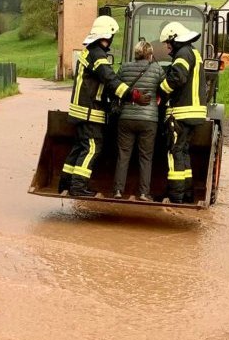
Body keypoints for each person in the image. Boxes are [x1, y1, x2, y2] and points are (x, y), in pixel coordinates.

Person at [59, 16, 151, 197]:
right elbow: (109, 79)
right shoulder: (97, 54)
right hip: (89, 111)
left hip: (80, 110)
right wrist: (133, 95)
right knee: (92, 147)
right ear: (107, 36)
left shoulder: (89, 51)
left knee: (79, 147)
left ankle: (66, 182)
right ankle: (77, 188)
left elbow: (101, 82)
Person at [158, 21, 207, 204]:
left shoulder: (183, 54)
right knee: (184, 152)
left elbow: (177, 77)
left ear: (175, 38)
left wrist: (161, 89)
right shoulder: (194, 52)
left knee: (175, 152)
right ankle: (187, 192)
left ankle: (175, 195)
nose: (166, 46)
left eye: (167, 42)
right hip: (194, 113)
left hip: (181, 112)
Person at [113, 40, 164, 200]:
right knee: (146, 157)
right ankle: (143, 193)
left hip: (126, 118)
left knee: (123, 155)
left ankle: (118, 191)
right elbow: (165, 89)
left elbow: (116, 88)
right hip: (149, 120)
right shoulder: (157, 69)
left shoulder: (124, 68)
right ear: (150, 54)